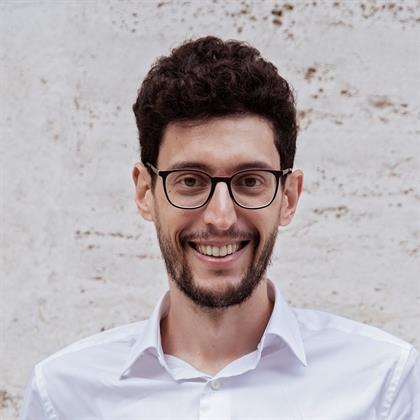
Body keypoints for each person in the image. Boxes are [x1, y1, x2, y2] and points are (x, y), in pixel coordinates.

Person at [21, 36, 419, 420]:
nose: (221, 217)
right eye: (190, 181)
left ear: (288, 197)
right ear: (145, 193)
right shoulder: (64, 395)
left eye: (250, 181)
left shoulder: (384, 383)